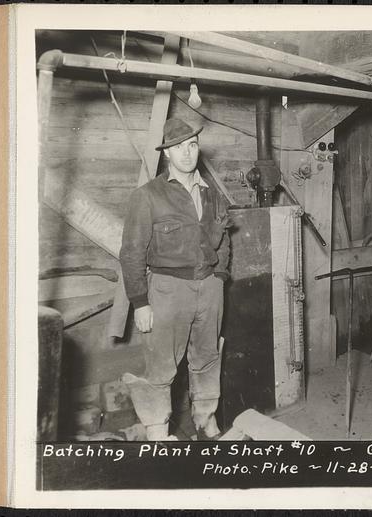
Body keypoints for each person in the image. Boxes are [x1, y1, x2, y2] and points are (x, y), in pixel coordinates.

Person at [119, 118, 231, 440]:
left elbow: (225, 240)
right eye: (178, 147)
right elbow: (131, 252)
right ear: (167, 153)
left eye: (192, 145)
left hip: (209, 287)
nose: (187, 153)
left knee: (208, 358)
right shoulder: (148, 196)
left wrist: (220, 277)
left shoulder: (212, 194)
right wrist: (140, 302)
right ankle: (157, 431)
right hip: (168, 290)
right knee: (161, 366)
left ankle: (206, 422)